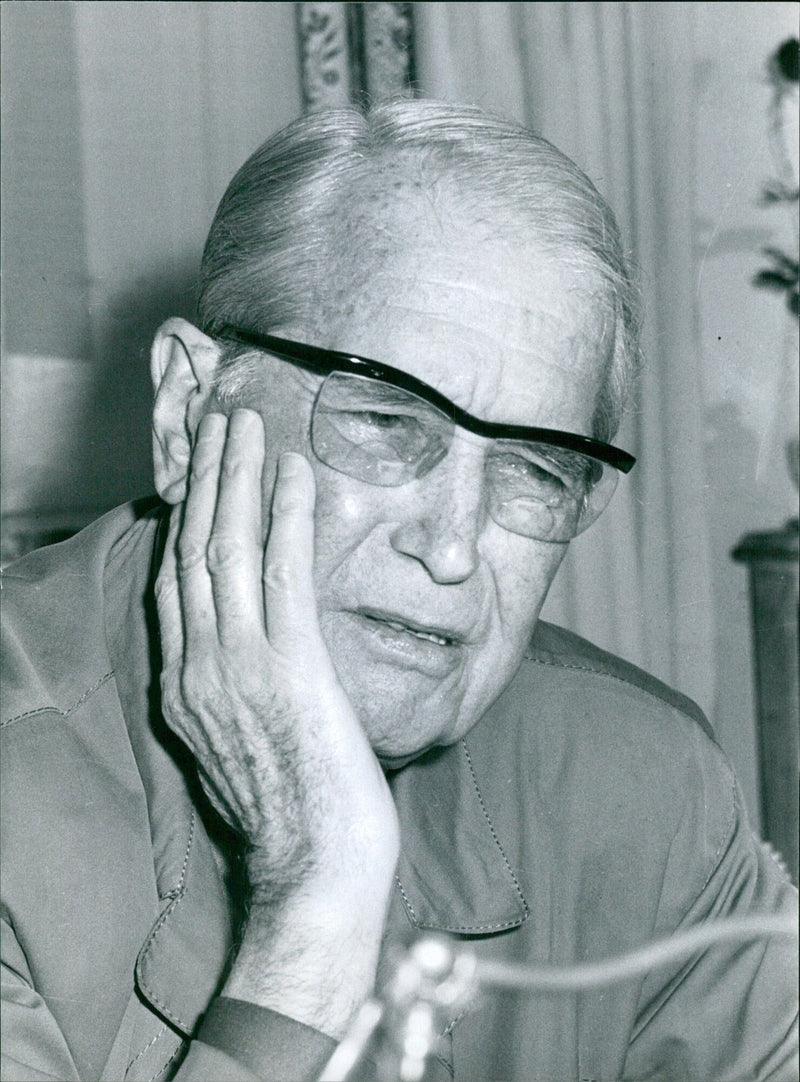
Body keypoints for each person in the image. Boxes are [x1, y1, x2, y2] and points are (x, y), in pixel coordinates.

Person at [1, 99, 796, 1082]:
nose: (453, 545)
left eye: (534, 468)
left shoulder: (648, 785)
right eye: (384, 420)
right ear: (186, 415)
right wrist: (313, 913)